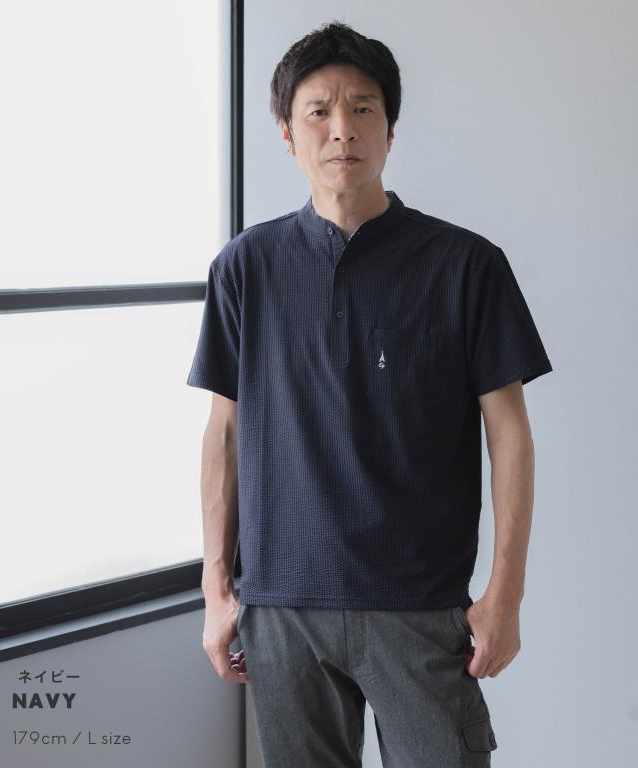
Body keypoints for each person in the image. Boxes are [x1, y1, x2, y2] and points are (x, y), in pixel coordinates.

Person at [187, 20, 553, 768]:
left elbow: (510, 433)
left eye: (362, 108)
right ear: (287, 133)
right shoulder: (245, 268)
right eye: (318, 111)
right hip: (282, 605)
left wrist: (505, 596)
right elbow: (223, 432)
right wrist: (217, 589)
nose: (341, 130)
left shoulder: (465, 265)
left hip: (419, 603)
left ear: (390, 128)